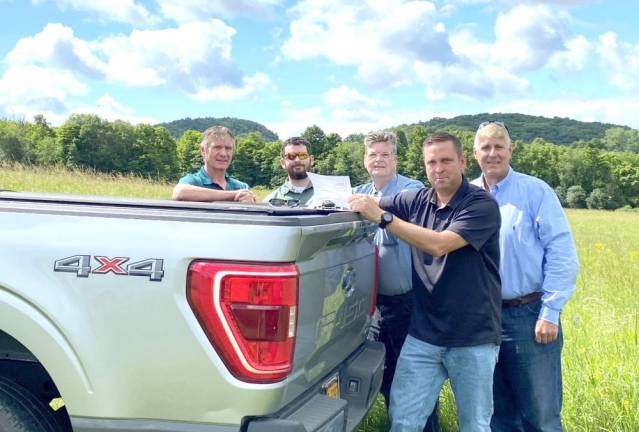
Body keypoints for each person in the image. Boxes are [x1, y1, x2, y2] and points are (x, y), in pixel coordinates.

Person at [349, 132, 502, 432]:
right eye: (431, 162)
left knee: (474, 424)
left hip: (472, 337)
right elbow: (372, 201)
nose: (439, 168)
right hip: (424, 335)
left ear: (462, 161)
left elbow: (439, 245)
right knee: (404, 420)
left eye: (446, 160)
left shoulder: (480, 205)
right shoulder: (417, 199)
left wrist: (383, 218)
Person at [471, 121, 579, 432]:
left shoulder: (535, 191)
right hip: (482, 321)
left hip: (529, 316)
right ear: (475, 153)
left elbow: (562, 254)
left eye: (499, 146)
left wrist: (550, 312)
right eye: (485, 147)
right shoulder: (467, 195)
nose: (493, 153)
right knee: (496, 414)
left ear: (510, 150)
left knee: (540, 415)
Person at [353, 131, 439, 432]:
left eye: (385, 154)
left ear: (395, 159)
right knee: (384, 375)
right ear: (365, 160)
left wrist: (378, 212)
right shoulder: (357, 194)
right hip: (371, 307)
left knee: (416, 380)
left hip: (408, 302)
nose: (378, 159)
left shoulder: (413, 191)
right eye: (373, 154)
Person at [173, 125, 256, 203]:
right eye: (217, 147)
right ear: (203, 151)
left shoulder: (241, 187)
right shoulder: (193, 181)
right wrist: (233, 195)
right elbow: (179, 192)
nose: (223, 154)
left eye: (228, 148)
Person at [264, 137, 315, 206]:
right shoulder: (270, 202)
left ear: (311, 160)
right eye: (291, 156)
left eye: (303, 155)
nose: (297, 160)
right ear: (283, 163)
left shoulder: (329, 195)